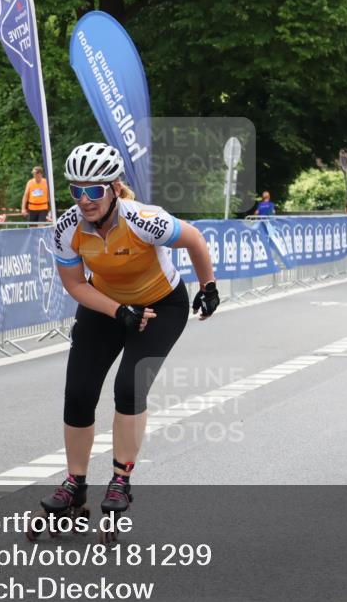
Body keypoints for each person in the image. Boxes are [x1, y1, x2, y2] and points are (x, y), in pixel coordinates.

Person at [28, 142, 219, 541]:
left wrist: (208, 287)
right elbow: (76, 285)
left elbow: (196, 240)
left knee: (128, 387)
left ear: (115, 188)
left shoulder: (145, 220)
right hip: (107, 306)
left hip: (161, 306)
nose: (84, 199)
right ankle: (75, 484)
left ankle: (120, 480)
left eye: (94, 190)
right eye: (76, 190)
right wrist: (118, 311)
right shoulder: (67, 228)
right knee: (78, 392)